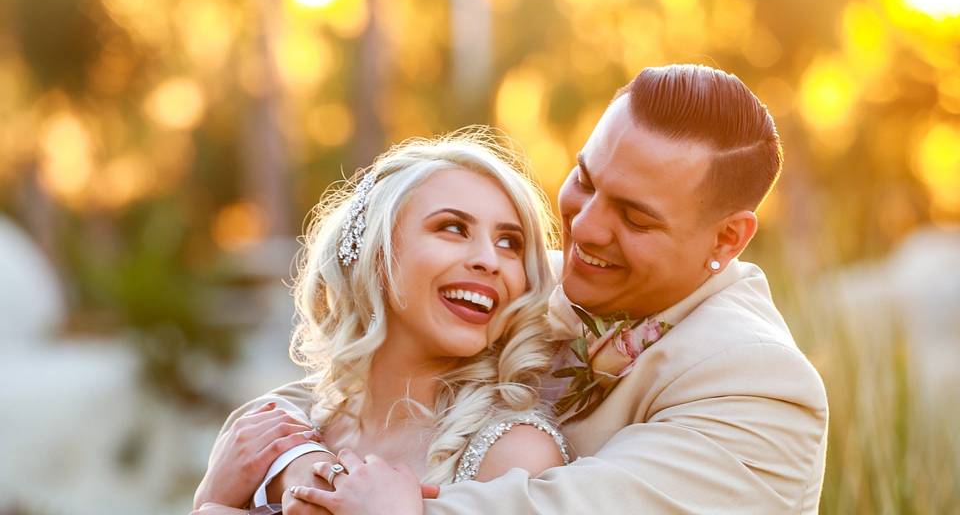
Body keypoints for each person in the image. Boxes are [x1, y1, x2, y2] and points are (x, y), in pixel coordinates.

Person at [198, 64, 828, 514]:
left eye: (635, 217)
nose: (584, 225)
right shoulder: (516, 277)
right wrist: (279, 463)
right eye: (585, 177)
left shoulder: (759, 384)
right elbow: (371, 375)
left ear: (727, 239)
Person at [193, 133, 570, 514]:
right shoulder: (280, 426)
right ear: (378, 252)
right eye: (454, 228)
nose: (490, 260)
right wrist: (210, 498)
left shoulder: (515, 454)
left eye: (510, 243)